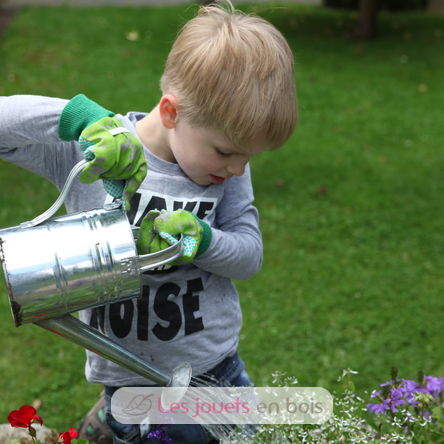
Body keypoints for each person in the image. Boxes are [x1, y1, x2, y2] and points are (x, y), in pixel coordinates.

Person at [0, 1, 297, 442]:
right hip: (130, 383)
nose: (237, 168)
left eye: (248, 157)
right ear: (172, 112)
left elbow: (249, 256)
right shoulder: (98, 153)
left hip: (216, 368)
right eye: (227, 152)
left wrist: (206, 240)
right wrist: (80, 117)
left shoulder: (228, 172)